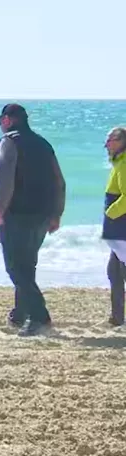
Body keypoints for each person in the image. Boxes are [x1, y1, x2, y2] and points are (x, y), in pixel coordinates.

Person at [0, 103, 66, 337]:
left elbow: (6, 178)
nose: (0, 125)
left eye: (0, 120)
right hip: (42, 214)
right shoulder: (44, 144)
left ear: (9, 120)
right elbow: (60, 182)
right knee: (27, 264)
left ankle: (39, 317)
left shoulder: (9, 142)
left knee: (15, 266)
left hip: (18, 213)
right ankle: (20, 312)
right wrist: (57, 213)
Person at [102, 127, 126, 326]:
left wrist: (110, 214)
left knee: (118, 272)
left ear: (121, 141)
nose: (106, 144)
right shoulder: (119, 163)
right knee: (114, 272)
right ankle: (117, 318)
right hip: (117, 230)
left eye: (110, 140)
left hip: (122, 229)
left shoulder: (125, 163)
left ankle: (118, 318)